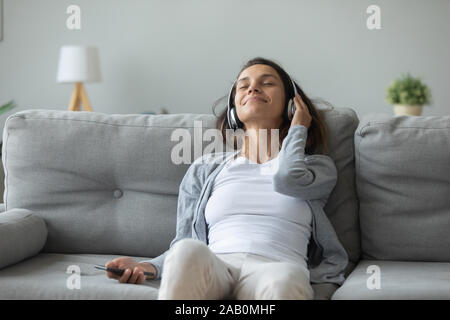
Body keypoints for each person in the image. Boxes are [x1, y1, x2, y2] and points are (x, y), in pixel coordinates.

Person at [105, 57, 348, 300]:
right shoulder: (206, 169)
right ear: (233, 109)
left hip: (276, 270)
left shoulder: (316, 167)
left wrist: (298, 130)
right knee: (186, 251)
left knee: (286, 278)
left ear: (291, 106)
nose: (253, 88)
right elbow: (185, 240)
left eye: (267, 83)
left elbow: (287, 179)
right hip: (215, 268)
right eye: (243, 85)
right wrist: (148, 267)